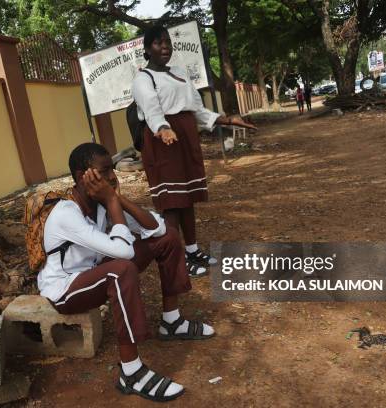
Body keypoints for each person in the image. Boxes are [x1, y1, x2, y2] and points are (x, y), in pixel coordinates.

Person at [37, 143, 215, 402]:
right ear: (81, 176)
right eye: (105, 170)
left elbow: (159, 228)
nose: (112, 176)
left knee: (169, 238)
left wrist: (117, 199)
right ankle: (131, 371)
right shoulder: (66, 213)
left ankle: (172, 321)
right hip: (64, 290)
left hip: (94, 273)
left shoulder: (100, 204)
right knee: (121, 269)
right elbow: (124, 254)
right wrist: (111, 199)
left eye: (112, 169)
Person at [131, 25, 256, 277]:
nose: (165, 46)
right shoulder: (143, 79)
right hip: (162, 141)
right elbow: (152, 110)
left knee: (187, 199)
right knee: (172, 203)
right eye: (158, 43)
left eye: (167, 42)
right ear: (147, 49)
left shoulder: (179, 72)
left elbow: (197, 109)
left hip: (185, 137)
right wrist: (164, 128)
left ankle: (192, 250)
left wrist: (228, 120)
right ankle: (176, 259)